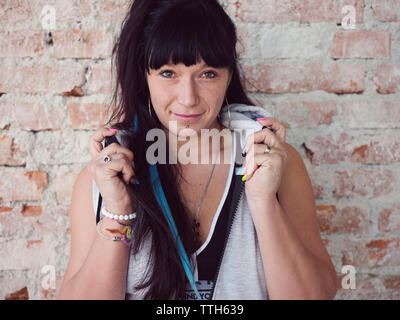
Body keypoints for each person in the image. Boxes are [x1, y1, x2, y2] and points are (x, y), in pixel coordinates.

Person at [58, 0, 339, 300]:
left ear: (229, 75)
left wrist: (263, 202)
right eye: (168, 73)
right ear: (145, 77)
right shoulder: (104, 177)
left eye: (207, 74)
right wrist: (117, 213)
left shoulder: (276, 162)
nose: (188, 98)